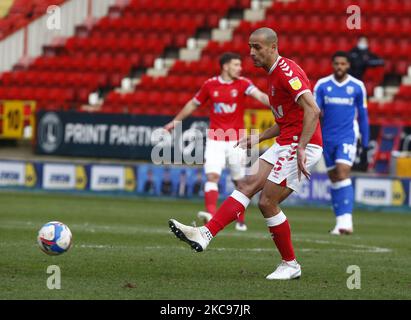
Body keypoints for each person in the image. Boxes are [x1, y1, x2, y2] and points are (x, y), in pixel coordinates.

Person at [168, 27, 323, 280]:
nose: (251, 53)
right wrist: (260, 137)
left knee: (267, 202)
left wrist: (303, 147)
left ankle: (291, 264)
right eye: (250, 47)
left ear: (273, 47)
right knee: (249, 183)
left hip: (300, 144)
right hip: (286, 140)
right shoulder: (271, 74)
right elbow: (287, 119)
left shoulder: (286, 73)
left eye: (257, 47)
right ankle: (205, 234)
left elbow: (313, 111)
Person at [164, 52, 270, 232]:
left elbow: (260, 96)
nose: (240, 68)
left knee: (240, 183)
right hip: (215, 140)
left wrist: (281, 105)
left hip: (237, 141)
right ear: (226, 66)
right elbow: (193, 103)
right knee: (212, 176)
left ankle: (240, 219)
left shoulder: (243, 83)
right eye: (236, 65)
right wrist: (176, 121)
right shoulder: (210, 85)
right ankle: (211, 215)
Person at [314, 51, 369, 235]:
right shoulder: (322, 85)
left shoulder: (357, 86)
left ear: (348, 66)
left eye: (343, 64)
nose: (340, 67)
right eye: (337, 63)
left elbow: (363, 116)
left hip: (347, 136)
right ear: (332, 64)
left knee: (342, 172)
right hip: (327, 138)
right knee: (334, 178)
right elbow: (315, 112)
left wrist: (366, 141)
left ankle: (347, 222)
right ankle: (340, 224)